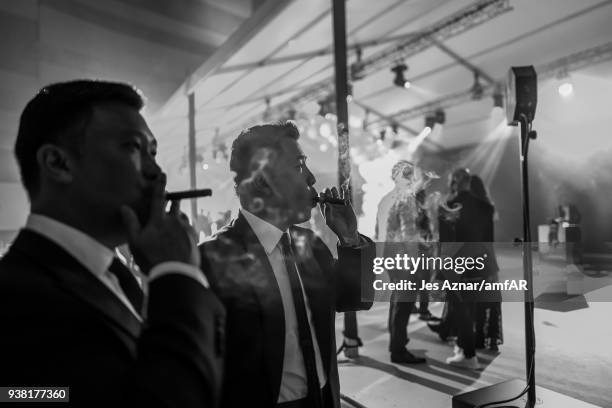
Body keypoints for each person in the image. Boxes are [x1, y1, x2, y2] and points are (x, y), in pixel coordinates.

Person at [0, 80, 225, 407]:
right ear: (57, 163)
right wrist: (177, 274)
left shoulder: (116, 274)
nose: (157, 173)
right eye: (133, 147)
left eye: (153, 152)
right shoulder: (13, 297)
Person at [199, 122, 375, 408]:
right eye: (298, 166)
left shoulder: (311, 245)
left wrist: (350, 238)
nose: (311, 177)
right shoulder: (213, 259)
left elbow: (358, 297)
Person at [440, 169, 495, 369]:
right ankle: (463, 348)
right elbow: (489, 241)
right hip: (480, 263)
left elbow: (446, 243)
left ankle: (469, 355)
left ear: (454, 182)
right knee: (470, 308)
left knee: (460, 309)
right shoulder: (485, 206)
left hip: (457, 265)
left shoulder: (449, 206)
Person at [379, 160, 432, 364]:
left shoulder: (391, 197)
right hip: (403, 258)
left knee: (397, 301)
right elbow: (407, 234)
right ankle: (398, 349)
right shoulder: (406, 199)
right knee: (404, 303)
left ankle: (397, 343)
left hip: (390, 254)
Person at [469, 175, 503, 352]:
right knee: (490, 299)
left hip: (476, 257)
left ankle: (480, 338)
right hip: (488, 257)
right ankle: (491, 337)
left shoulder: (473, 208)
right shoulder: (488, 207)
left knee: (478, 300)